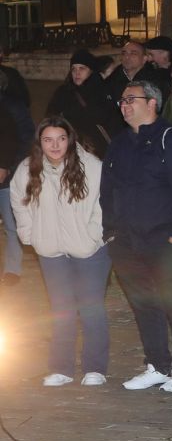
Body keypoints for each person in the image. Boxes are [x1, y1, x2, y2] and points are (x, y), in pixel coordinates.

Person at [101, 81, 172, 393]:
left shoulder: (170, 140)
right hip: (127, 243)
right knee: (145, 304)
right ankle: (157, 365)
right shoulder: (119, 143)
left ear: (152, 103)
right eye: (121, 100)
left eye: (130, 99)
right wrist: (111, 233)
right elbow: (107, 190)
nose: (124, 105)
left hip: (165, 240)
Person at [12, 117, 108, 386]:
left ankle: (95, 367)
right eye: (48, 140)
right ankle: (61, 368)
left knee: (92, 309)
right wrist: (30, 235)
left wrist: (93, 236)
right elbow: (20, 204)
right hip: (51, 249)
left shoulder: (92, 166)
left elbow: (104, 204)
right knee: (61, 308)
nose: (55, 145)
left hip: (89, 250)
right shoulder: (27, 169)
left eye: (61, 139)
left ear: (70, 139)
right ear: (39, 142)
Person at [50, 52, 120, 154]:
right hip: (70, 148)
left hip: (97, 150)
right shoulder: (63, 92)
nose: (77, 73)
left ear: (91, 70)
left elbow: (109, 120)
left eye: (82, 68)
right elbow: (51, 118)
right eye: (73, 69)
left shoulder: (103, 91)